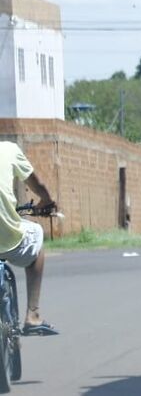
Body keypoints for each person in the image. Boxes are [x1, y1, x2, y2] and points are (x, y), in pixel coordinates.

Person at [0, 141, 58, 336]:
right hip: (7, 238)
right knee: (36, 235)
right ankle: (32, 315)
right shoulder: (8, 149)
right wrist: (47, 201)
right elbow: (38, 184)